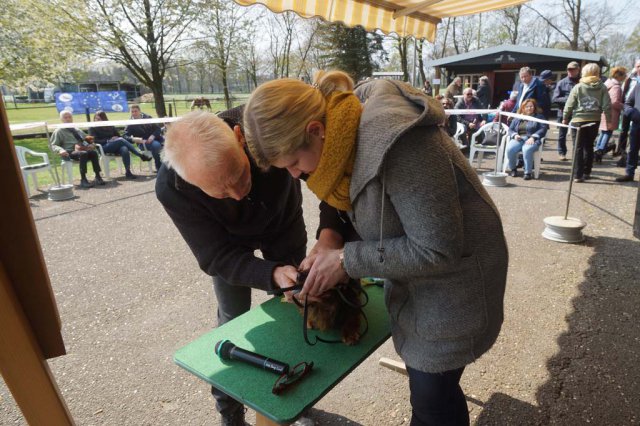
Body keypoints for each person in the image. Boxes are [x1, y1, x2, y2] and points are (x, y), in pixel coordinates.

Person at [243, 71, 508, 426]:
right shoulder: (342, 134)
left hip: (456, 285)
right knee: (431, 388)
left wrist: (346, 260)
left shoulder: (401, 145)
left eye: (293, 163)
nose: (294, 175)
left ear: (316, 131)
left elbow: (437, 250)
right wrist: (329, 241)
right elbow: (359, 202)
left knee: (433, 398)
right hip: (421, 282)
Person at [155, 108, 307, 426]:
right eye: (221, 191)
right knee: (231, 326)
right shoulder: (172, 187)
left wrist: (289, 270)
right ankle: (230, 413)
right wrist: (268, 272)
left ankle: (298, 397)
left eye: (240, 174)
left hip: (280, 221)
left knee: (297, 308)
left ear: (240, 138)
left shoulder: (267, 134)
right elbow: (214, 257)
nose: (238, 193)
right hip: (228, 245)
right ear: (189, 181)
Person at [563, 63, 612, 183]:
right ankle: (587, 172)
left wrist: (565, 117)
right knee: (589, 146)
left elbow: (569, 104)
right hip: (594, 120)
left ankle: (577, 175)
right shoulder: (602, 87)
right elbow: (607, 105)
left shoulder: (578, 87)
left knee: (578, 148)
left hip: (578, 120)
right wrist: (609, 121)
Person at [89, 110, 153, 179]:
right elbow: (95, 140)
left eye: (99, 119)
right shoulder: (92, 128)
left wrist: (115, 138)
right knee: (121, 141)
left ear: (104, 119)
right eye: (96, 119)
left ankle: (128, 172)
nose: (97, 120)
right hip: (103, 147)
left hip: (115, 145)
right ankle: (139, 155)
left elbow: (119, 136)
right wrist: (109, 140)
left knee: (124, 149)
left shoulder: (110, 126)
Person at [50, 110, 104, 188]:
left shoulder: (76, 129)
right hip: (68, 152)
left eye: (70, 117)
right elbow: (53, 145)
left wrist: (92, 144)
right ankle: (83, 179)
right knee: (83, 153)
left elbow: (87, 139)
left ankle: (98, 176)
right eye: (65, 117)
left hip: (80, 149)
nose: (68, 119)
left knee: (93, 153)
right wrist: (60, 150)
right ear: (61, 119)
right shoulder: (59, 131)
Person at [505, 99, 548, 180]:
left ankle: (528, 172)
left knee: (527, 149)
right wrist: (514, 135)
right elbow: (510, 129)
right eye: (527, 107)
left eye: (531, 106)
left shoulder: (539, 117)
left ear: (534, 107)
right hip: (519, 138)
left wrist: (533, 137)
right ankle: (513, 169)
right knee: (510, 149)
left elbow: (543, 129)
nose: (529, 108)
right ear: (523, 108)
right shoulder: (518, 117)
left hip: (533, 139)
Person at [594, 67, 627, 162]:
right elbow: (614, 102)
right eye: (624, 75)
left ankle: (597, 151)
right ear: (619, 75)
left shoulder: (607, 83)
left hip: (604, 112)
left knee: (603, 132)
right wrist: (624, 106)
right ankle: (599, 153)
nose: (625, 77)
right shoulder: (616, 87)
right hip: (611, 114)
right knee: (607, 133)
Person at [616, 63, 640, 183]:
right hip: (637, 123)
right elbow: (627, 103)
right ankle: (629, 173)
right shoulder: (637, 86)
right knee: (633, 149)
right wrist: (633, 114)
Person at [553, 62, 581, 161]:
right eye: (569, 69)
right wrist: (569, 99)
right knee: (562, 134)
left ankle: (576, 155)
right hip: (563, 112)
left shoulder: (582, 82)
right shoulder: (561, 83)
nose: (570, 71)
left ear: (578, 70)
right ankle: (562, 153)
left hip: (578, 114)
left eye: (573, 69)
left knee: (577, 135)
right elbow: (555, 98)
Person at [124, 104, 165, 171]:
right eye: (132, 112)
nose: (134, 113)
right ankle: (159, 168)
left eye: (135, 111)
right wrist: (135, 139)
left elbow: (158, 129)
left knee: (172, 144)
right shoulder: (130, 123)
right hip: (143, 143)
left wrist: (152, 136)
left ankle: (172, 168)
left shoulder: (148, 117)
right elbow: (125, 136)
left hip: (157, 138)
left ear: (140, 111)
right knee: (156, 145)